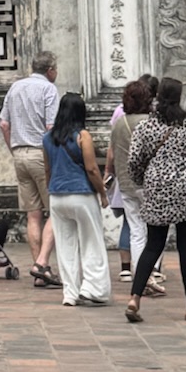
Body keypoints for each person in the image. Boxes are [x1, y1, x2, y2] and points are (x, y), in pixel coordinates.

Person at [124, 78, 186, 324]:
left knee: (153, 245)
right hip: (185, 186)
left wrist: (144, 179)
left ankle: (135, 297)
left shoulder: (146, 126)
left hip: (157, 186)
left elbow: (134, 162)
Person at [41, 94, 111, 306]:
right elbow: (91, 168)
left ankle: (69, 293)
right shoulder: (83, 136)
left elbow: (47, 169)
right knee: (92, 242)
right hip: (81, 195)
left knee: (65, 246)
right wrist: (102, 193)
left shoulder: (47, 137)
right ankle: (93, 288)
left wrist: (51, 189)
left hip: (57, 196)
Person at [0, 52, 60, 289]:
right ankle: (42, 263)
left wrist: (12, 147)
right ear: (50, 70)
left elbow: (4, 123)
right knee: (55, 209)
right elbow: (51, 127)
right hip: (40, 153)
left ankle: (38, 269)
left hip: (19, 153)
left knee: (33, 214)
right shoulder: (48, 89)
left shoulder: (16, 87)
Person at [107, 79, 161, 294]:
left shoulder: (120, 123)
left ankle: (140, 277)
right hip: (151, 183)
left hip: (127, 183)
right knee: (155, 232)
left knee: (136, 232)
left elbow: (113, 150)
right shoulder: (152, 122)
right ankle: (150, 273)